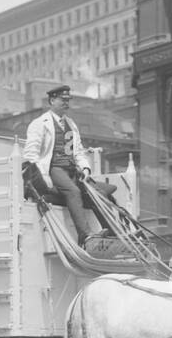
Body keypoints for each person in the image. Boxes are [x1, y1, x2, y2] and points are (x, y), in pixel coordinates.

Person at [22, 85, 119, 247]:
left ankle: (112, 232)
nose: (66, 103)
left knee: (100, 192)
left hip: (72, 170)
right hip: (54, 169)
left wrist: (86, 169)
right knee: (73, 191)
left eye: (68, 100)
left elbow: (78, 151)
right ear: (52, 101)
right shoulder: (39, 123)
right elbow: (31, 155)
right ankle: (85, 235)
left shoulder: (71, 124)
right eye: (63, 100)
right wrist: (43, 176)